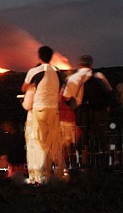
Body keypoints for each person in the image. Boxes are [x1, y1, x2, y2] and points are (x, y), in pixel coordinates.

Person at [21, 46, 63, 183]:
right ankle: (55, 173)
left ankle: (39, 176)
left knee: (39, 142)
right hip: (54, 109)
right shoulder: (57, 72)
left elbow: (24, 87)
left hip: (39, 110)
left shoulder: (34, 71)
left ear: (39, 56)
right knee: (53, 142)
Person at [62, 54, 112, 166]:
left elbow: (66, 97)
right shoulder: (99, 76)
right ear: (91, 64)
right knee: (103, 138)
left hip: (83, 111)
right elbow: (109, 92)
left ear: (80, 64)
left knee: (83, 139)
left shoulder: (72, 78)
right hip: (100, 111)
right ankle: (107, 162)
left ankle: (83, 164)